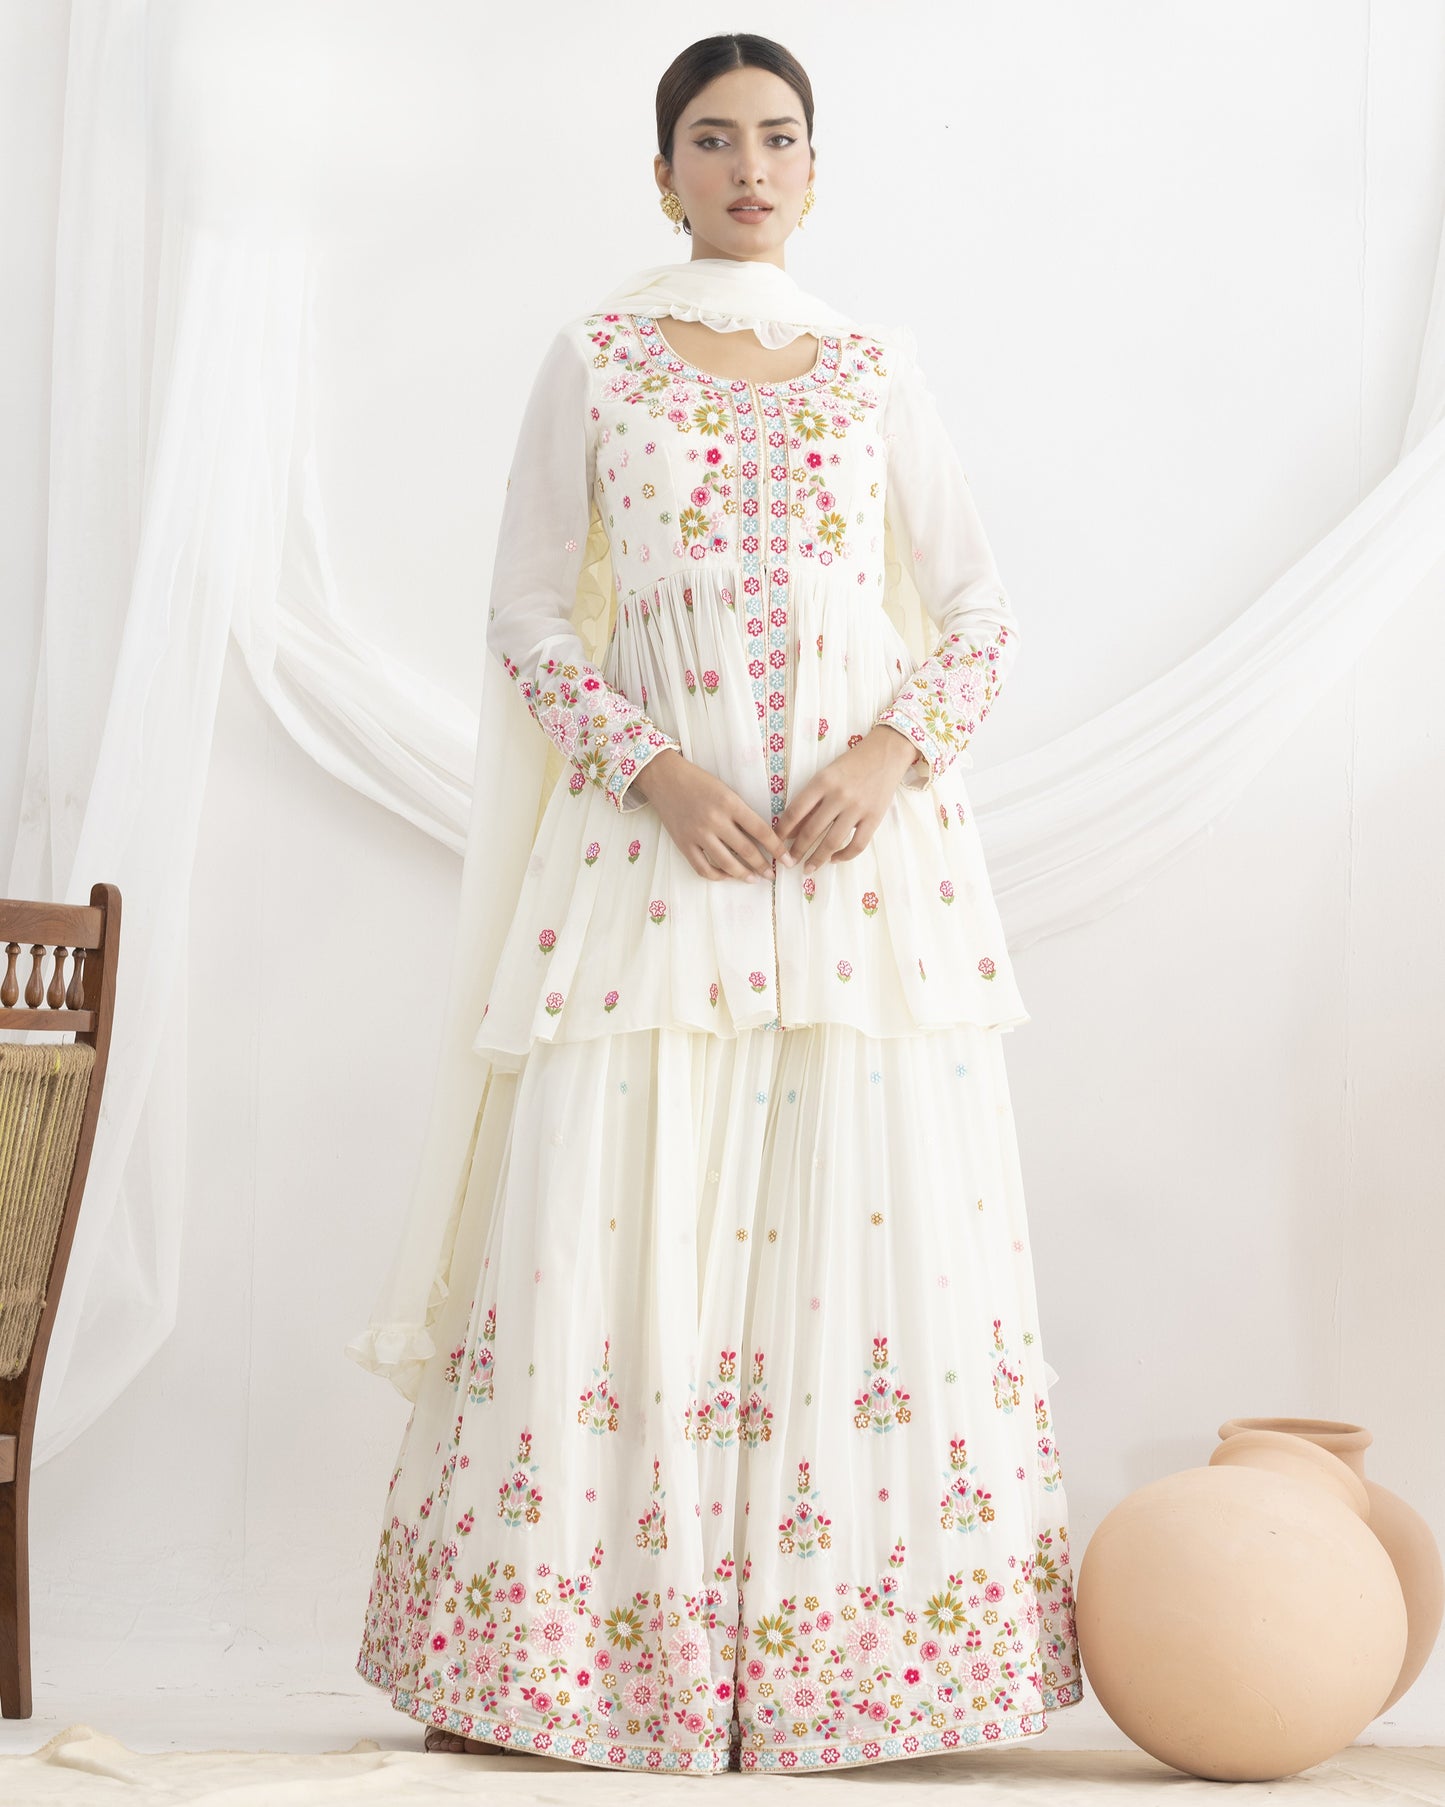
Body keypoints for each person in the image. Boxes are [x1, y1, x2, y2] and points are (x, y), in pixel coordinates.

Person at [348, 30, 1083, 1776]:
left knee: (867, 1216)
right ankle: (586, 1669)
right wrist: (654, 770)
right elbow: (528, 613)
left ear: (816, 169)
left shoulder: (873, 367)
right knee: (619, 1211)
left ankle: (856, 1677)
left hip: (861, 885)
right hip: (650, 870)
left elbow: (980, 614)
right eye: (711, 138)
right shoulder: (597, 359)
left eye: (777, 138)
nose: (748, 167)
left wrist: (889, 755)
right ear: (661, 169)